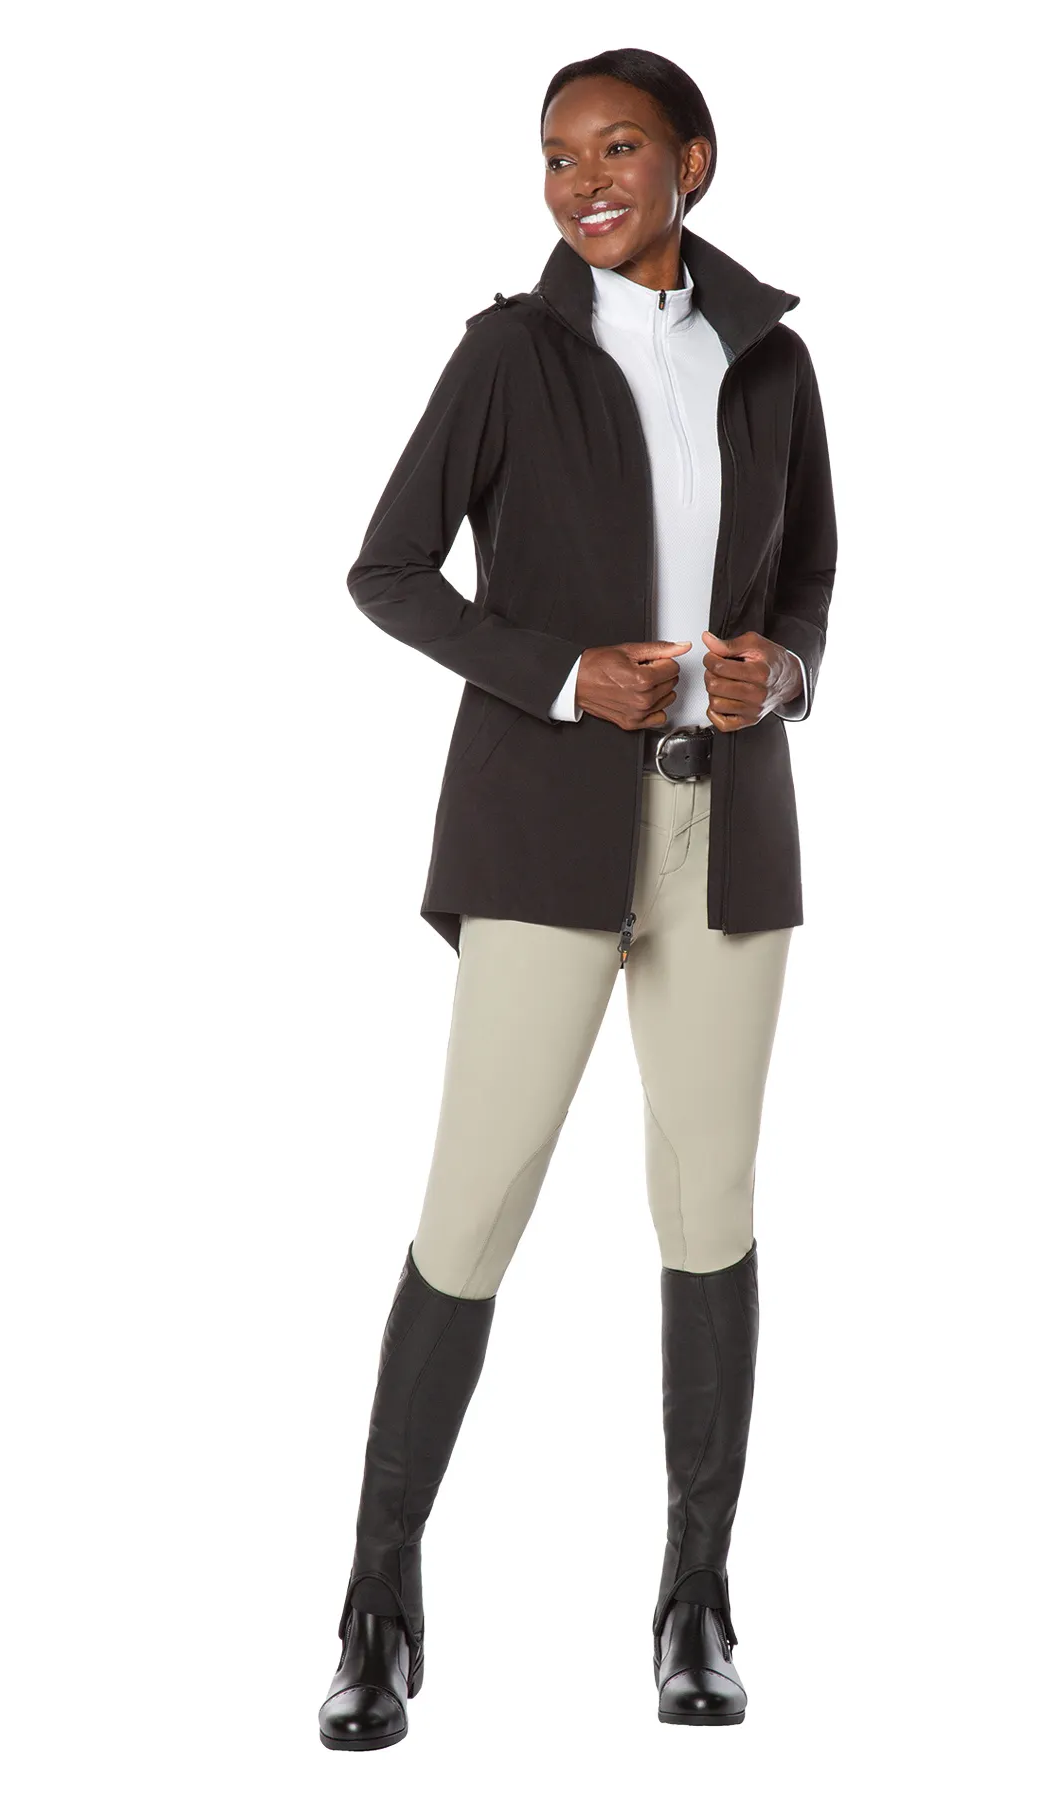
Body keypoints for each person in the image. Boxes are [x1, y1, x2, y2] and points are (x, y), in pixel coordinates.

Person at [317, 45, 836, 1749]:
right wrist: (557, 676)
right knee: (475, 1199)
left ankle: (696, 1603)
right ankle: (377, 1607)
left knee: (711, 1203)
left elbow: (809, 579)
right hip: (546, 829)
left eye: (617, 148)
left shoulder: (770, 360)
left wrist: (781, 670)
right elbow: (389, 569)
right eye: (557, 154)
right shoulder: (509, 355)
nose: (583, 181)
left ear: (694, 160)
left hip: (725, 834)